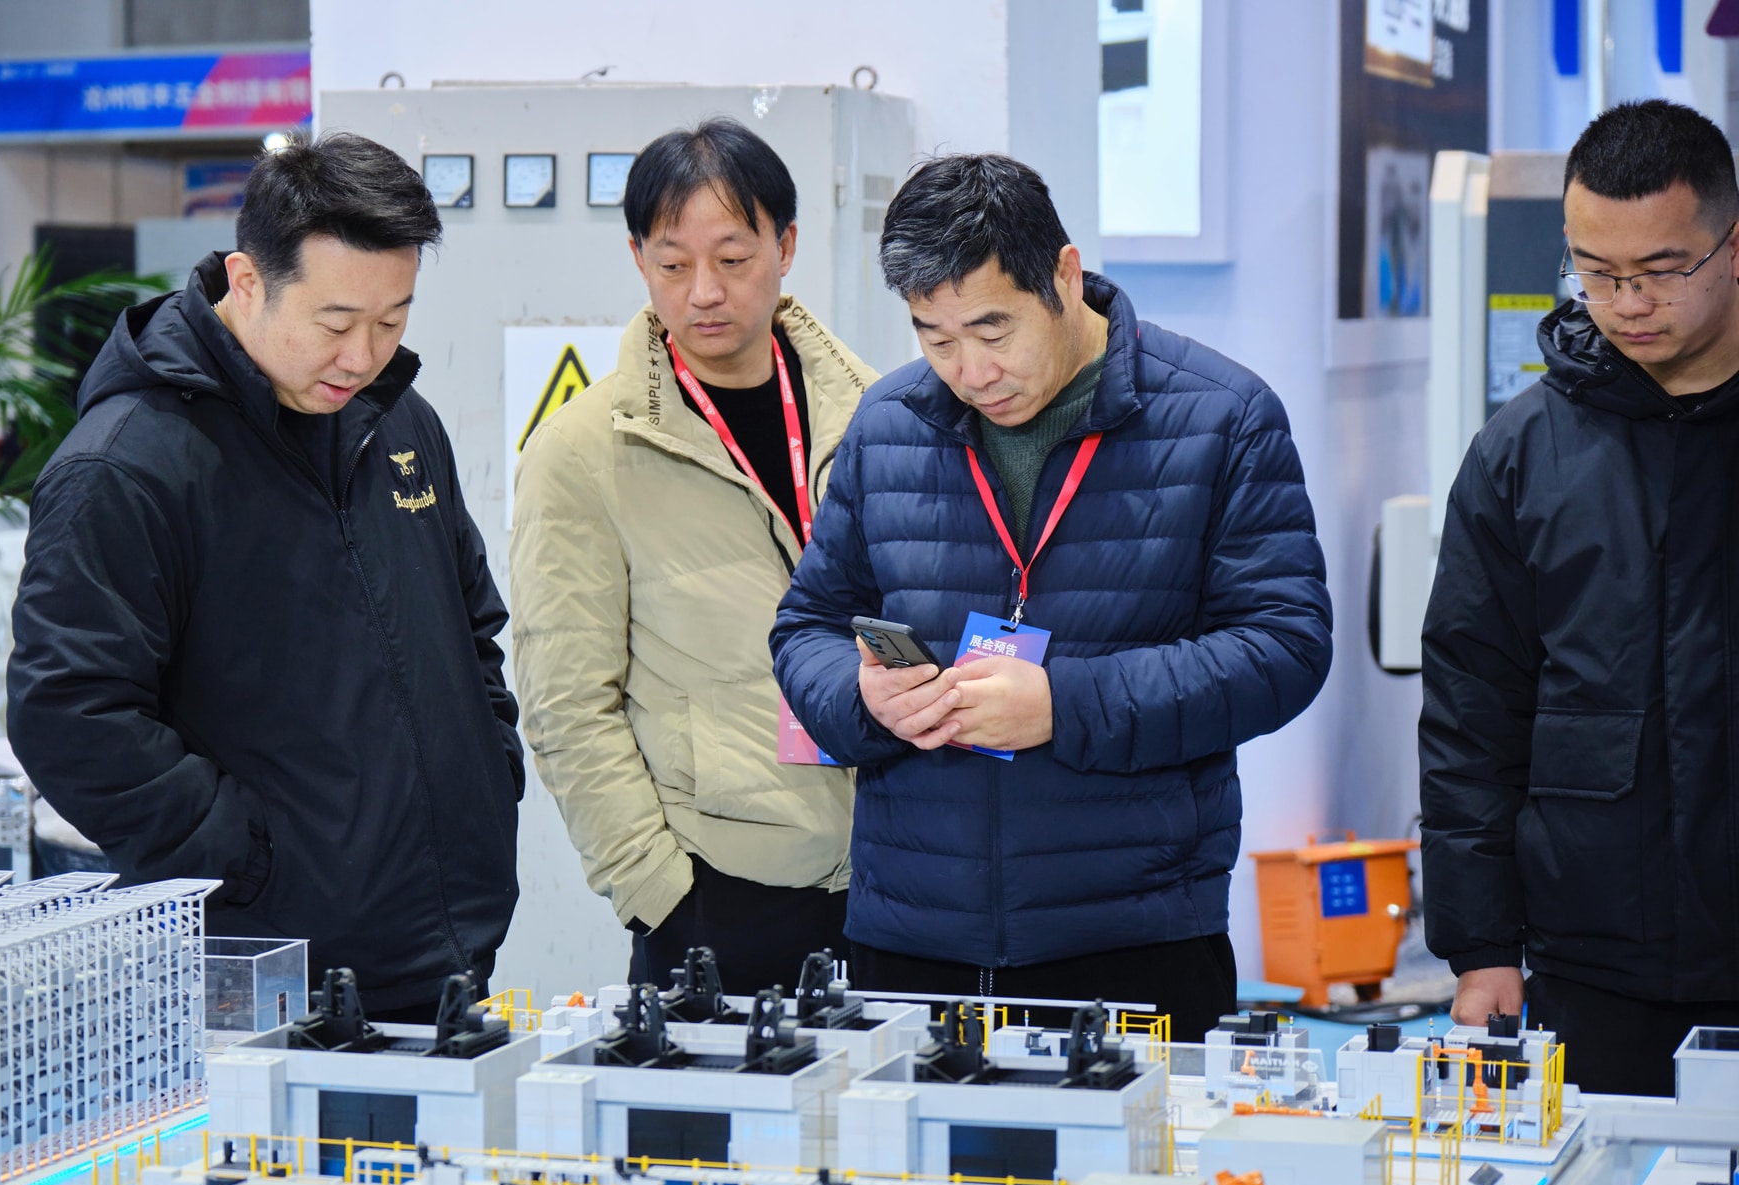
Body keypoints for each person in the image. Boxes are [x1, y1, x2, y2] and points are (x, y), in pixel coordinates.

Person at [771, 154, 1332, 1038]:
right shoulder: (889, 424)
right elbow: (806, 625)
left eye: (993, 330)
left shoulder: (1220, 417)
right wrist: (861, 697)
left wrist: (1065, 705)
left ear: (1064, 276)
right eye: (935, 338)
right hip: (912, 936)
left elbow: (1284, 648)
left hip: (1133, 937)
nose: (971, 371)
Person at [7, 133, 522, 1023]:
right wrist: (246, 859)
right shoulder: (127, 467)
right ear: (247, 281)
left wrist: (487, 773)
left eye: (392, 321)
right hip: (261, 980)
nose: (363, 356)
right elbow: (68, 713)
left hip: (442, 952)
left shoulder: (399, 424)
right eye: (335, 323)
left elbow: (469, 626)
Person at [510, 119, 875, 997]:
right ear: (638, 259)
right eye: (673, 264)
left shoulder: (879, 416)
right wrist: (660, 896)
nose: (704, 292)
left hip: (893, 878)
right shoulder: (582, 451)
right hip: (718, 896)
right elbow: (567, 704)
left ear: (786, 247)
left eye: (734, 259)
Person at [1421, 99, 1739, 1096]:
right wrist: (1480, 944)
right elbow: (1471, 712)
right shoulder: (1521, 454)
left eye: (1659, 270)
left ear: (1731, 247)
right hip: (1595, 960)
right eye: (1594, 272)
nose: (1625, 302)